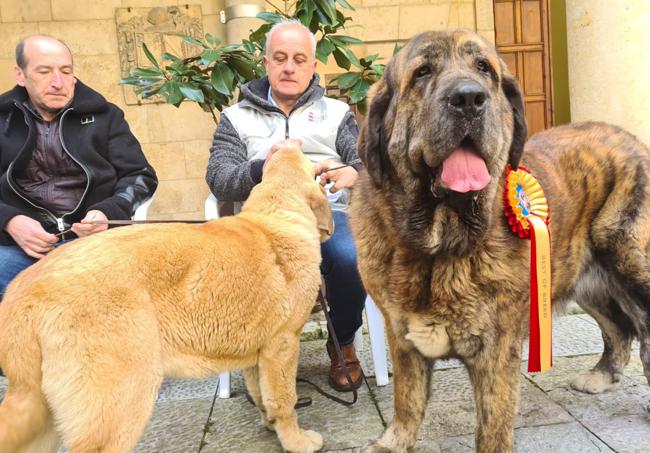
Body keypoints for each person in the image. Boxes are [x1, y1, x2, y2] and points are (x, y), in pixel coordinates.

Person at [206, 19, 366, 392]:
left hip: (326, 215)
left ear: (313, 66)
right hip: (261, 221)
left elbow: (367, 163)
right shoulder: (236, 117)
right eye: (280, 58)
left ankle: (342, 341)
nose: (289, 67)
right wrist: (264, 166)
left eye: (299, 59)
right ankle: (262, 350)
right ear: (266, 64)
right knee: (243, 264)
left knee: (349, 257)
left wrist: (353, 173)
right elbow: (218, 176)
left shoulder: (337, 113)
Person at [0, 35, 158, 299]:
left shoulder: (106, 116)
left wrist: (107, 212)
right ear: (20, 75)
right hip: (18, 246)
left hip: (94, 242)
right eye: (44, 71)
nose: (58, 82)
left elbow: (141, 177)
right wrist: (10, 221)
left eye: (65, 71)